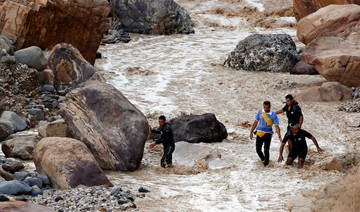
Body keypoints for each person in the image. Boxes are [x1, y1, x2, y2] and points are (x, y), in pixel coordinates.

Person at [250, 101, 282, 166]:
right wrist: (251, 132)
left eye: (267, 107)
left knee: (266, 149)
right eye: (264, 107)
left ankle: (266, 164)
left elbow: (276, 126)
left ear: (270, 106)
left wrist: (279, 136)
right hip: (259, 133)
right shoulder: (260, 112)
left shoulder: (273, 115)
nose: (266, 109)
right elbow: (255, 122)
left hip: (268, 133)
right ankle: (263, 159)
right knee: (258, 149)